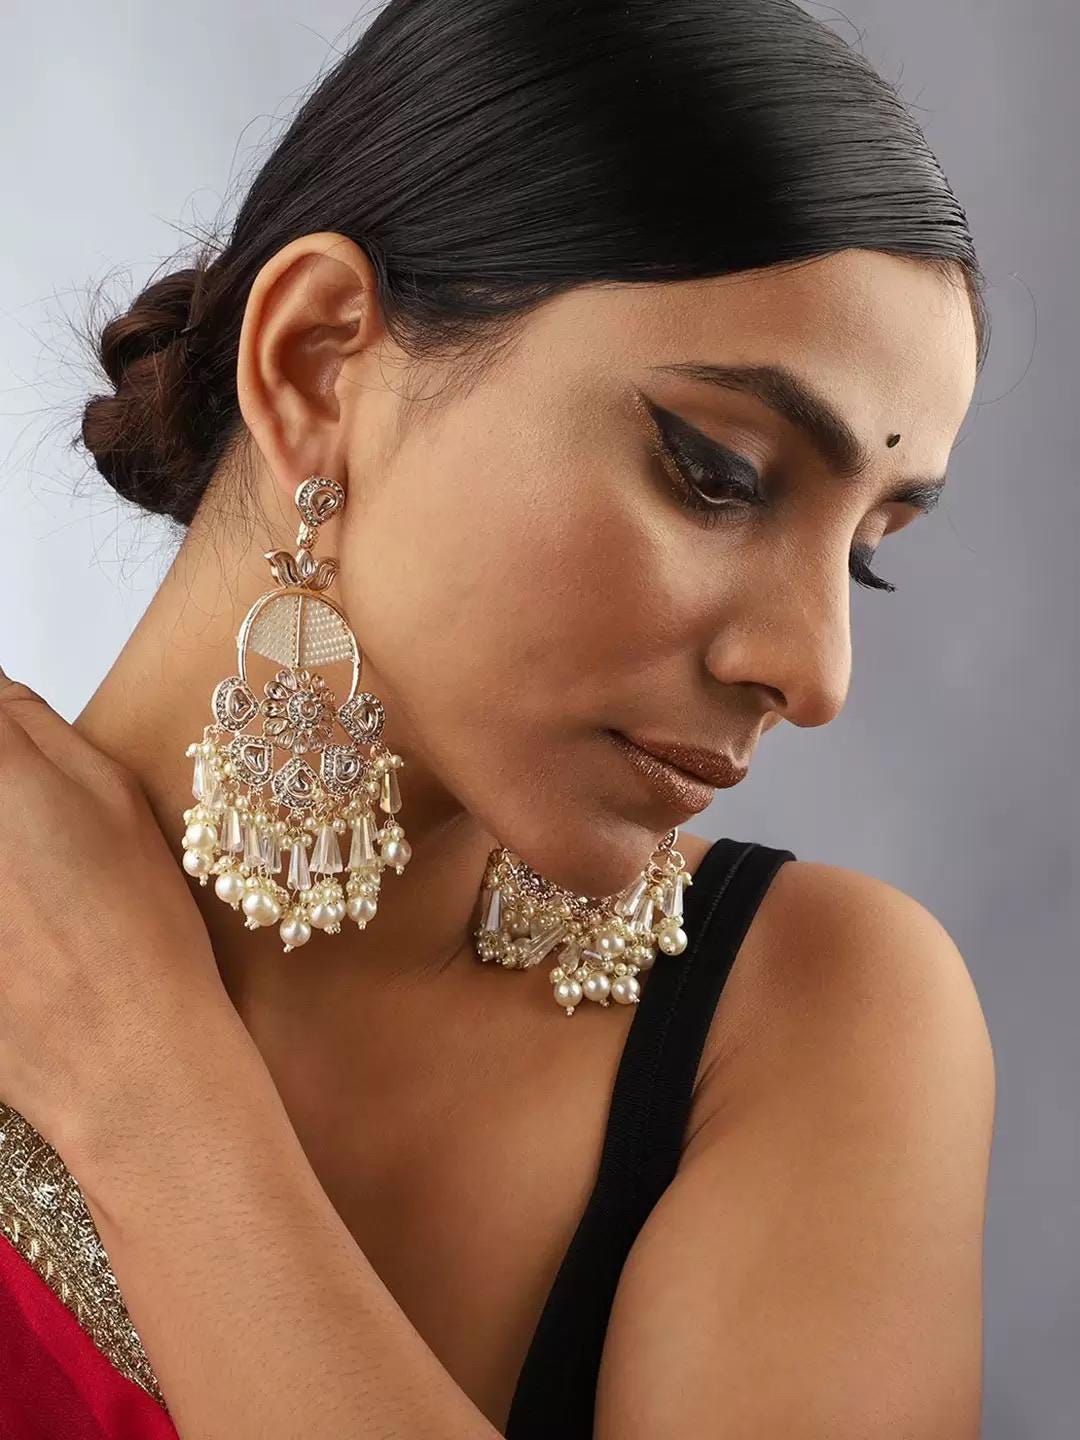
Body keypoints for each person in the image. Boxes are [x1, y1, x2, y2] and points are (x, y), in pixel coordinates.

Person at [0, 1, 996, 1436]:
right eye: (717, 473)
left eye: (868, 550)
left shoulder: (807, 1017)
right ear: (315, 365)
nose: (816, 671)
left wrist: (144, 1072)